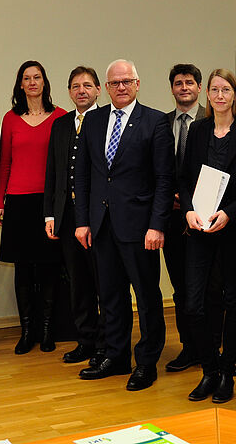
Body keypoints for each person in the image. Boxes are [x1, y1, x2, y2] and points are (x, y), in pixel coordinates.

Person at [73, 59, 174, 391]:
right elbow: (84, 176)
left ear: (137, 83)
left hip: (140, 227)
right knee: (111, 296)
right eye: (114, 83)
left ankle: (146, 362)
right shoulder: (94, 120)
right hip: (101, 226)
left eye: (126, 81)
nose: (120, 87)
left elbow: (163, 180)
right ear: (106, 86)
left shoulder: (156, 122)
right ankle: (116, 356)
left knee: (146, 297)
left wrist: (157, 225)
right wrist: (83, 221)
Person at [179, 69, 236, 404]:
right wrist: (187, 210)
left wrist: (229, 213)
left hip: (232, 228)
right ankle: (209, 370)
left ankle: (227, 373)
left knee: (231, 300)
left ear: (234, 94)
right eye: (213, 89)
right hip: (199, 227)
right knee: (194, 304)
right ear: (207, 94)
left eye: (225, 89)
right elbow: (183, 178)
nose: (218, 95)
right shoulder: (198, 130)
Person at [0, 61, 67, 354]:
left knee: (49, 268)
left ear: (45, 82)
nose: (32, 82)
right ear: (20, 84)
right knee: (23, 270)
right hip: (19, 201)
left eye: (37, 77)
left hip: (48, 202)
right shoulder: (10, 119)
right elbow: (4, 163)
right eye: (27, 78)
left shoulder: (61, 117)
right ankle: (27, 331)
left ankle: (47, 330)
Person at [44, 66, 105, 365]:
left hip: (99, 218)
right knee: (78, 283)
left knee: (103, 282)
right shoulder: (61, 124)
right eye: (75, 86)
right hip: (67, 217)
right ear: (69, 92)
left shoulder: (107, 121)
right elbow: (52, 172)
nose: (81, 90)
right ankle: (86, 341)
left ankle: (107, 343)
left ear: (98, 90)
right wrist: (49, 215)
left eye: (87, 85)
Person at [164, 63, 205, 373]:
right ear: (172, 89)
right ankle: (188, 347)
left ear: (199, 87)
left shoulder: (213, 120)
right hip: (172, 216)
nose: (184, 87)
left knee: (205, 288)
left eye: (189, 82)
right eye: (178, 83)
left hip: (206, 218)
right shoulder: (161, 124)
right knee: (179, 286)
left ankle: (210, 350)